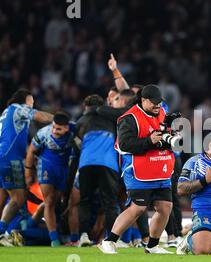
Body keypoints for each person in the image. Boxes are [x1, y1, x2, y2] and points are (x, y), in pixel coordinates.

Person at [98, 84, 176, 254]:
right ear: (143, 100)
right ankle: (109, 241)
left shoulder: (162, 112)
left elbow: (165, 132)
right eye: (154, 103)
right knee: (138, 208)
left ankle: (152, 246)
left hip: (160, 168)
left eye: (159, 103)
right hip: (138, 171)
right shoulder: (129, 118)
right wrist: (150, 141)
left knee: (165, 208)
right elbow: (124, 145)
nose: (158, 106)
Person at [0, 89, 54, 246]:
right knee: (19, 198)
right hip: (10, 159)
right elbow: (39, 116)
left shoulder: (5, 113)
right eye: (31, 102)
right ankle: (1, 231)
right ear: (26, 100)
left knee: (3, 197)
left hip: (3, 157)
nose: (32, 105)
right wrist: (57, 119)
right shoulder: (18, 108)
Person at [24, 112, 76, 247]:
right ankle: (54, 239)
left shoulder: (75, 131)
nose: (54, 131)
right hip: (46, 166)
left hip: (63, 169)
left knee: (55, 201)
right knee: (49, 201)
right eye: (53, 127)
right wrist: (28, 171)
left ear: (66, 128)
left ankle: (30, 223)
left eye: (58, 128)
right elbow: (31, 151)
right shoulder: (43, 133)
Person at [76, 94, 121, 247]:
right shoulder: (112, 119)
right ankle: (111, 239)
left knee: (85, 201)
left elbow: (75, 145)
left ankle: (83, 236)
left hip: (86, 163)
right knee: (110, 203)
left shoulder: (81, 121)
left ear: (85, 107)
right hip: (108, 164)